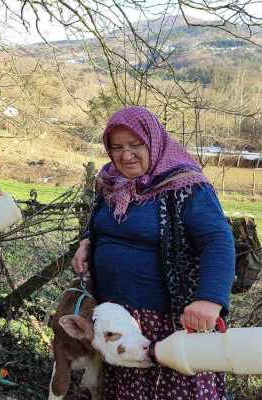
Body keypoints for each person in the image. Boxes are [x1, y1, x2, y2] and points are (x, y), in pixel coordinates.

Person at [72, 106, 235, 399]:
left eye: (136, 145)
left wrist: (210, 299)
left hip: (170, 321)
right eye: (117, 147)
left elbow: (218, 240)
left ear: (154, 142)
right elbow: (101, 226)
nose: (126, 155)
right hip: (120, 323)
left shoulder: (185, 186)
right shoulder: (111, 183)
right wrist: (87, 243)